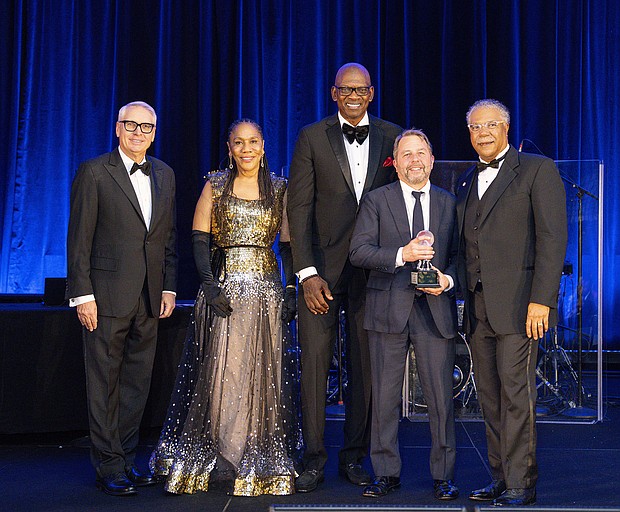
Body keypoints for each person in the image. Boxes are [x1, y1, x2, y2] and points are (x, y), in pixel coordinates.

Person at [149, 119, 300, 496]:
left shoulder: (280, 189)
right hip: (225, 295)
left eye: (253, 142)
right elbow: (200, 239)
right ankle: (221, 453)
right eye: (238, 143)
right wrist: (209, 285)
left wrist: (292, 286)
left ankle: (255, 456)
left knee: (263, 375)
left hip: (266, 294)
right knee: (223, 373)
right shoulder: (215, 185)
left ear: (263, 147)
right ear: (229, 148)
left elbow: (288, 244)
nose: (246, 149)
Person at [287, 62, 402, 493]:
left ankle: (354, 457)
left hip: (372, 274)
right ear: (334, 94)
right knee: (315, 367)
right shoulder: (312, 137)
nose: (353, 95)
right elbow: (298, 209)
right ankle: (313, 458)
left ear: (371, 94)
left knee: (365, 370)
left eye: (361, 89)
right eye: (345, 89)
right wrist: (307, 273)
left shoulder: (393, 136)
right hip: (321, 276)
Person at [456, 99, 567, 506]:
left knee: (516, 393)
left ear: (505, 127)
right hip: (479, 307)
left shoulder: (537, 169)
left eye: (489, 125)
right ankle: (500, 476)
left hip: (522, 307)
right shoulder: (468, 180)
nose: (482, 133)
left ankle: (522, 482)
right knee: (488, 395)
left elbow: (553, 239)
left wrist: (542, 300)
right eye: (474, 127)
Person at [66, 101, 178, 496]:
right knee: (104, 383)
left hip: (149, 298)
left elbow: (166, 238)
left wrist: (167, 286)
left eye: (146, 127)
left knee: (136, 384)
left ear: (154, 132)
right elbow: (78, 240)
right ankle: (108, 465)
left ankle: (127, 460)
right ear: (117, 128)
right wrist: (82, 295)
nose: (138, 132)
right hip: (105, 297)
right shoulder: (95, 172)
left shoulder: (164, 173)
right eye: (130, 125)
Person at [350, 128, 460, 500]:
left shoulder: (448, 202)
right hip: (387, 310)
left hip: (435, 311)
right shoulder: (377, 200)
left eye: (421, 153)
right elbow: (359, 252)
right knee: (383, 398)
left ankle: (443, 476)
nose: (414, 160)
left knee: (441, 399)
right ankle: (385, 473)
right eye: (406, 154)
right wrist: (402, 254)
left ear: (431, 160)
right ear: (395, 163)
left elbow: (463, 259)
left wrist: (446, 280)